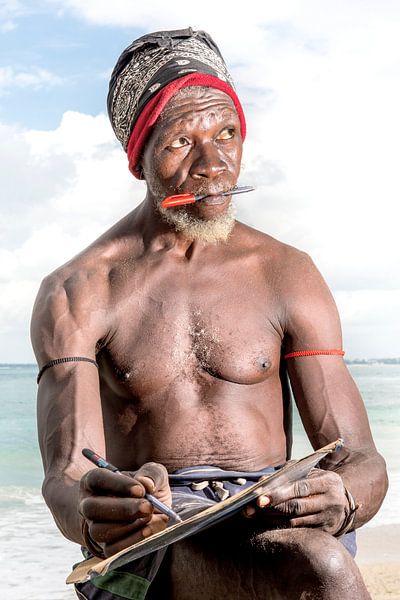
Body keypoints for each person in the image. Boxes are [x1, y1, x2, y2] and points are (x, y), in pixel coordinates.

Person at [31, 28, 388, 599]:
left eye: (227, 134)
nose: (213, 164)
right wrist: (94, 511)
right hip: (152, 535)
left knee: (318, 557)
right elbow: (66, 475)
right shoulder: (79, 289)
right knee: (321, 570)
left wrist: (342, 496)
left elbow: (360, 458)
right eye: (180, 143)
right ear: (138, 157)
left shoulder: (286, 272)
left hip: (272, 512)